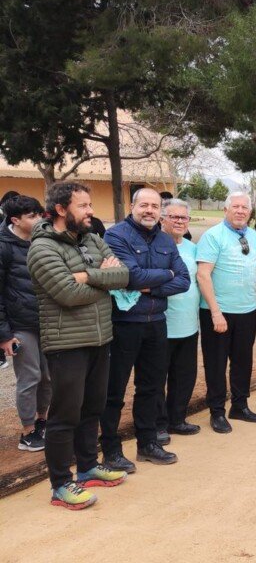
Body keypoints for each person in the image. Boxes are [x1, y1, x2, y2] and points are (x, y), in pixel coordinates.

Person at [27, 182, 130, 510]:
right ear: (61, 210)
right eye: (83, 206)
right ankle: (60, 484)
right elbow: (68, 295)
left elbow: (124, 276)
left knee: (92, 408)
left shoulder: (93, 239)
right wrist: (102, 279)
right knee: (65, 415)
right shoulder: (42, 249)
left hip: (100, 338)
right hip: (67, 343)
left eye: (89, 205)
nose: (90, 211)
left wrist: (86, 276)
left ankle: (86, 467)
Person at [100, 188, 190, 470]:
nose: (149, 210)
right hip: (125, 324)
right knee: (114, 391)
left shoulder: (166, 239)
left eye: (154, 206)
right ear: (132, 206)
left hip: (157, 324)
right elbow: (128, 275)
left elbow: (184, 280)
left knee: (150, 387)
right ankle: (111, 451)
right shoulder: (116, 235)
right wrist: (166, 275)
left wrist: (146, 283)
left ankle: (147, 443)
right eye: (144, 205)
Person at [196, 192, 256, 433]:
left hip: (247, 310)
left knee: (242, 360)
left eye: (244, 207)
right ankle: (217, 411)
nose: (240, 211)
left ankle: (240, 405)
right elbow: (203, 274)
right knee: (216, 363)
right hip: (218, 312)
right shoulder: (213, 236)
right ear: (226, 209)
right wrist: (215, 312)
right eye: (235, 206)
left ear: (249, 211)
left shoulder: (253, 237)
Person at [0, 195, 50, 452]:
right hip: (20, 325)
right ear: (15, 220)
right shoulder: (3, 246)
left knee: (48, 377)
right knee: (29, 377)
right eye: (32, 216)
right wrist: (4, 335)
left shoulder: (43, 241)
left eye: (40, 214)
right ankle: (28, 432)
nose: (39, 219)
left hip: (47, 321)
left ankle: (43, 421)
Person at [158, 198, 203, 438]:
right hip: (161, 325)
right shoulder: (155, 245)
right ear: (162, 219)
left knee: (184, 375)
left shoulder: (192, 248)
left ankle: (177, 418)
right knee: (156, 378)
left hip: (188, 324)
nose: (179, 221)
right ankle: (158, 424)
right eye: (173, 217)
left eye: (183, 217)